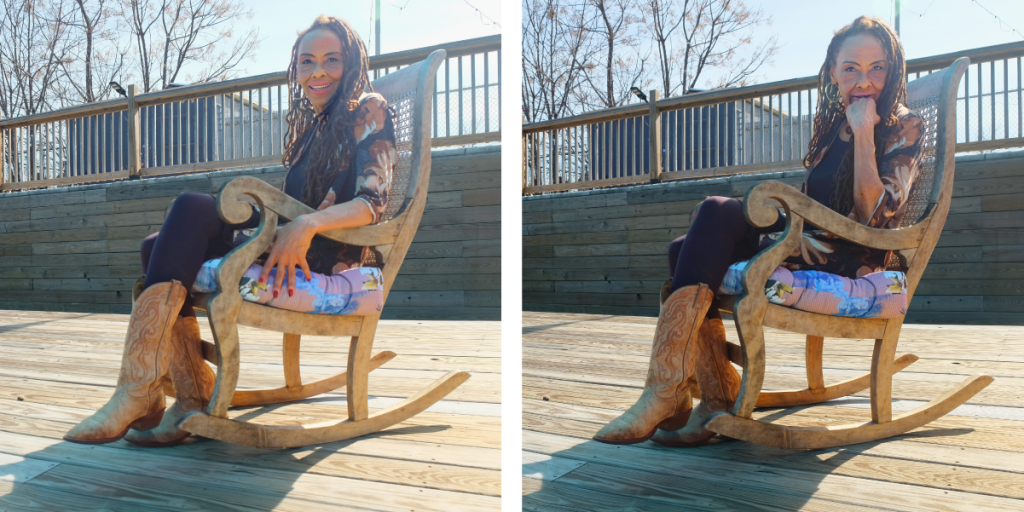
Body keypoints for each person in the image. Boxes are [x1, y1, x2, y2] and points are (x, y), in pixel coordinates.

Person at [63, 15, 396, 447]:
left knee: (189, 209)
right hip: (287, 241)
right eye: (307, 61)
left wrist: (309, 224)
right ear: (296, 69)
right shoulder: (313, 128)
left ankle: (138, 391)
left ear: (349, 64)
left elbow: (374, 201)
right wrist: (289, 224)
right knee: (157, 244)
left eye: (331, 60)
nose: (318, 71)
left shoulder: (367, 108)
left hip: (322, 254)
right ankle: (188, 395)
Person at [593, 16, 925, 447]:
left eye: (876, 67)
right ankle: (711, 395)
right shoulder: (833, 125)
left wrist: (865, 132)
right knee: (691, 239)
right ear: (833, 73)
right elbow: (815, 200)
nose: (864, 81)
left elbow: (873, 216)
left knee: (709, 221)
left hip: (851, 256)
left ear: (893, 68)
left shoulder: (903, 125)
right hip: (808, 239)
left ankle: (667, 392)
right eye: (851, 68)